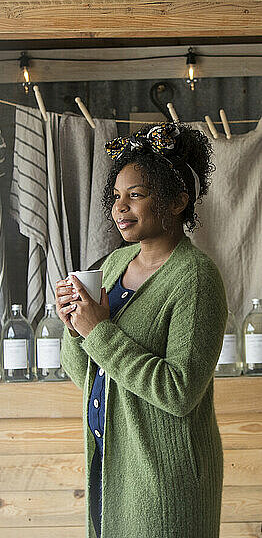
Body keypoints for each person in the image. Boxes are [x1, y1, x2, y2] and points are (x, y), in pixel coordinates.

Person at [55, 122, 228, 538]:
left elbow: (180, 391)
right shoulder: (114, 266)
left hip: (164, 480)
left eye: (136, 195)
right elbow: (91, 376)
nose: (120, 207)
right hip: (110, 464)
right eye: (116, 196)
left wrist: (97, 332)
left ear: (177, 201)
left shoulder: (195, 278)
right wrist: (75, 328)